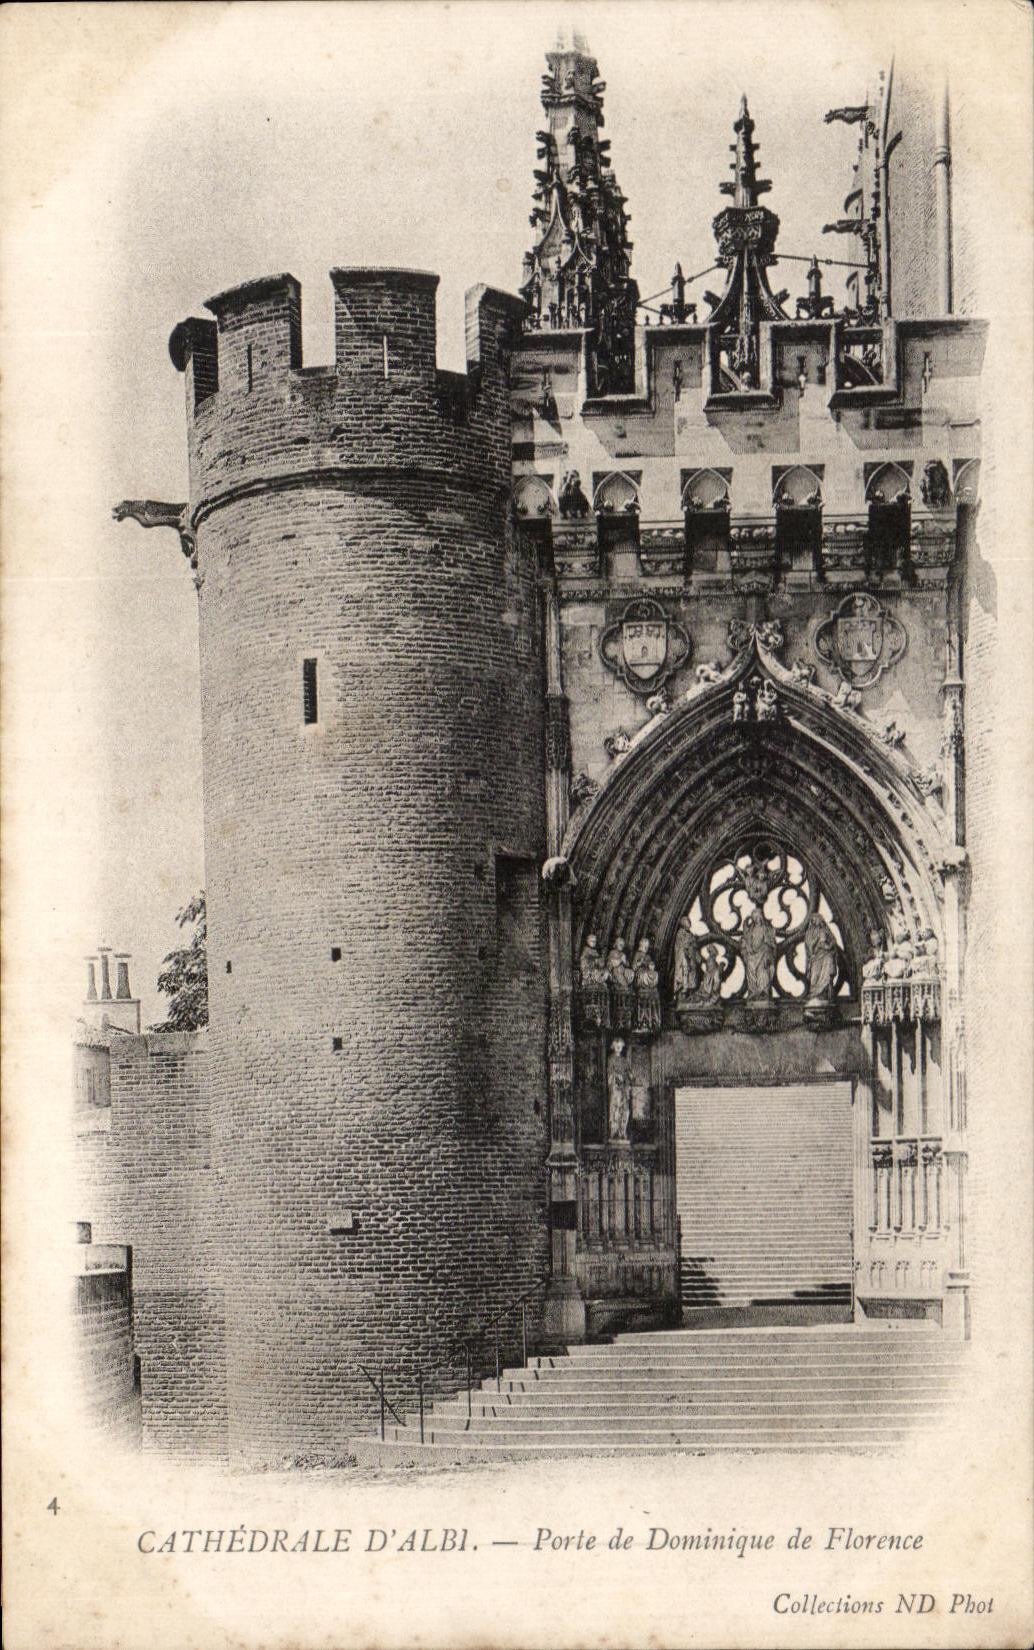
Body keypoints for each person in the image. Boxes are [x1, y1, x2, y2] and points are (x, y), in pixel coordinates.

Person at [741, 908, 777, 999]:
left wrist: (766, 950)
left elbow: (770, 942)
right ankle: (753, 992)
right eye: (755, 917)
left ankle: (763, 992)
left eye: (759, 917)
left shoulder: (765, 929)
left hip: (763, 954)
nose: (758, 919)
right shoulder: (751, 930)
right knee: (750, 967)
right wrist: (748, 947)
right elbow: (746, 940)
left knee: (763, 971)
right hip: (752, 955)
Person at [803, 912, 838, 1002]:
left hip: (826, 956)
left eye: (818, 920)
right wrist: (817, 941)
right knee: (815, 977)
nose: (816, 922)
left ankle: (823, 993)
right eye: (814, 920)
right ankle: (815, 993)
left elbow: (833, 943)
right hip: (815, 958)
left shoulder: (826, 931)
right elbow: (809, 947)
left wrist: (828, 946)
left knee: (826, 975)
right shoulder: (809, 933)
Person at [633, 938, 662, 1032]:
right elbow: (634, 967)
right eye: (644, 946)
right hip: (641, 975)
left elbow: (651, 966)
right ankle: (643, 1021)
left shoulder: (648, 957)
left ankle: (654, 1021)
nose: (646, 948)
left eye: (647, 946)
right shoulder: (637, 954)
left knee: (655, 974)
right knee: (645, 975)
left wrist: (651, 966)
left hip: (648, 973)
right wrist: (639, 963)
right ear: (641, 945)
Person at [607, 1040, 632, 1142]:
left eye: (620, 1045)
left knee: (625, 1110)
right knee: (615, 1110)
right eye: (616, 1045)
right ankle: (614, 1132)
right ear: (613, 1046)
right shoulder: (611, 1059)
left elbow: (628, 1073)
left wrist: (629, 1076)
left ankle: (623, 1131)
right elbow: (610, 1073)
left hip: (624, 1089)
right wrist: (616, 1077)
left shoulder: (624, 1060)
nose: (618, 1047)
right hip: (615, 1089)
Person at [672, 916, 701, 999]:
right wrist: (690, 942)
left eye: (689, 921)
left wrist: (693, 944)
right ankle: (683, 992)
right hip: (683, 958)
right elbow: (682, 945)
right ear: (683, 923)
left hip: (690, 957)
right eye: (687, 921)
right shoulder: (680, 933)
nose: (689, 922)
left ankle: (689, 992)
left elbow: (694, 944)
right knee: (684, 974)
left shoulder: (690, 934)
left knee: (691, 975)